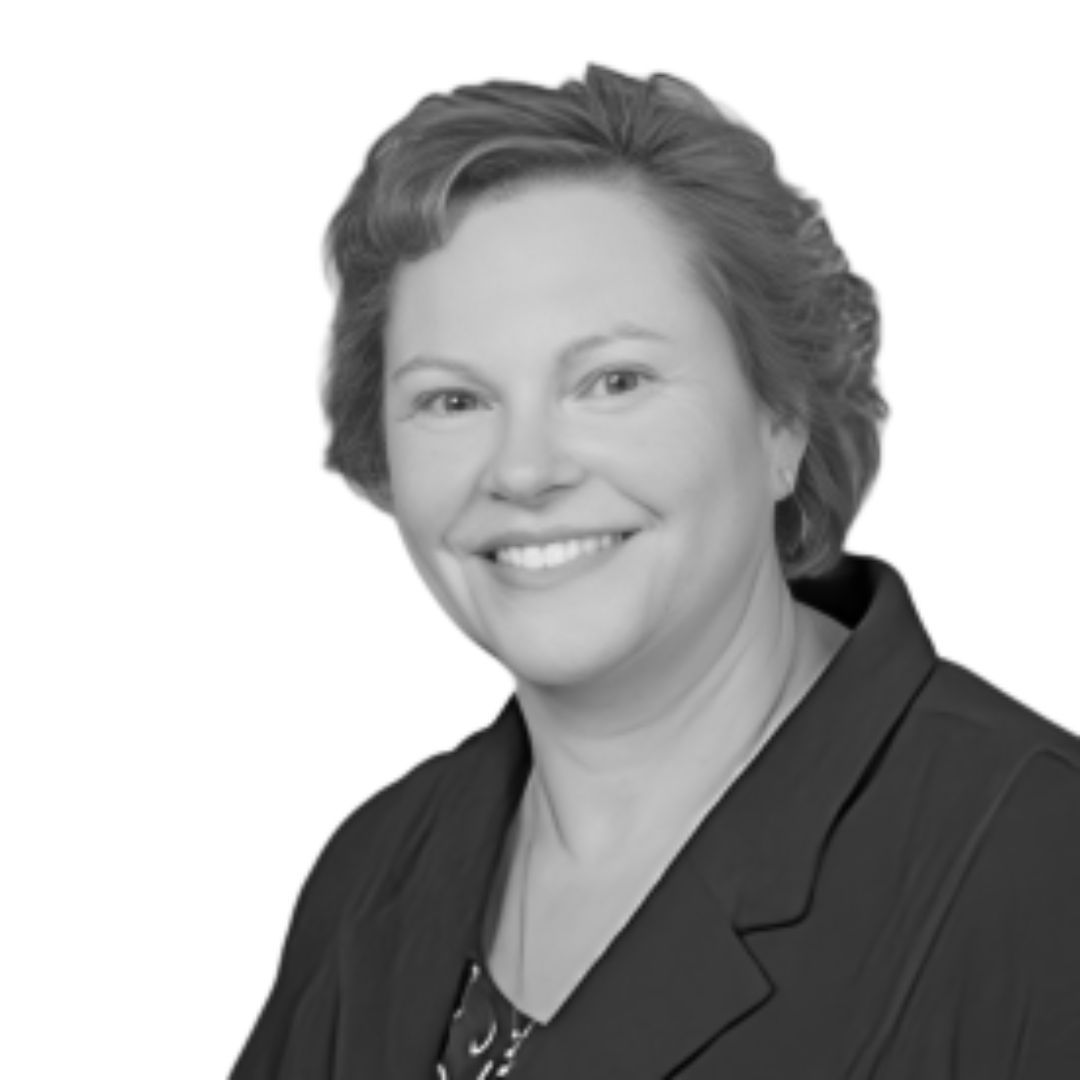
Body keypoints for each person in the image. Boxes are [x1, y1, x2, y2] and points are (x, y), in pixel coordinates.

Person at [229, 65, 1080, 1078]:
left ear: (783, 419)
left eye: (613, 382)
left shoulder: (1037, 873)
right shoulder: (377, 869)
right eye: (453, 400)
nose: (526, 470)